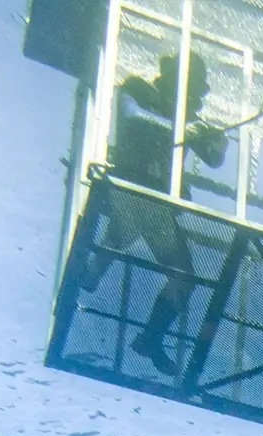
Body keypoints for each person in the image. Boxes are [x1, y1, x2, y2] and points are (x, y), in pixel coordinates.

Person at [78, 53, 228, 376]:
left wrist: (216, 139)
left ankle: (148, 332)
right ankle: (93, 272)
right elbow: (131, 114)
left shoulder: (189, 120)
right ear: (176, 77)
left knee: (183, 276)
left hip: (153, 204)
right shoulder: (139, 90)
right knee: (126, 229)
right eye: (195, 88)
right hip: (131, 188)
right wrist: (187, 129)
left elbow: (216, 157)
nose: (197, 98)